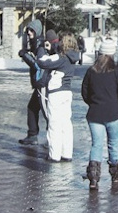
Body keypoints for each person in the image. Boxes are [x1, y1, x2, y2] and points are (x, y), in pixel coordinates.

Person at [81, 37, 118, 190]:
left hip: (95, 114)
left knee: (96, 145)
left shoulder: (91, 72)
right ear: (112, 54)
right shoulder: (117, 72)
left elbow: (85, 92)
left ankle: (94, 178)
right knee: (114, 145)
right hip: (114, 113)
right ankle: (115, 175)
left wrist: (93, 103)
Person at [23, 33, 79, 162]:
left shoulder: (61, 58)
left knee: (54, 125)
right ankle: (66, 154)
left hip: (56, 93)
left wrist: (42, 48)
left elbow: (42, 62)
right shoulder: (72, 58)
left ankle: (54, 156)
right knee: (66, 124)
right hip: (67, 93)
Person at [17, 19, 46, 145]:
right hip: (40, 83)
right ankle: (33, 135)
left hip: (43, 83)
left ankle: (38, 136)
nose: (29, 32)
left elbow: (37, 64)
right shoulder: (35, 44)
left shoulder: (40, 46)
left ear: (37, 31)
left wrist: (25, 55)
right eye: (28, 30)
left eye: (32, 30)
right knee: (34, 108)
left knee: (43, 110)